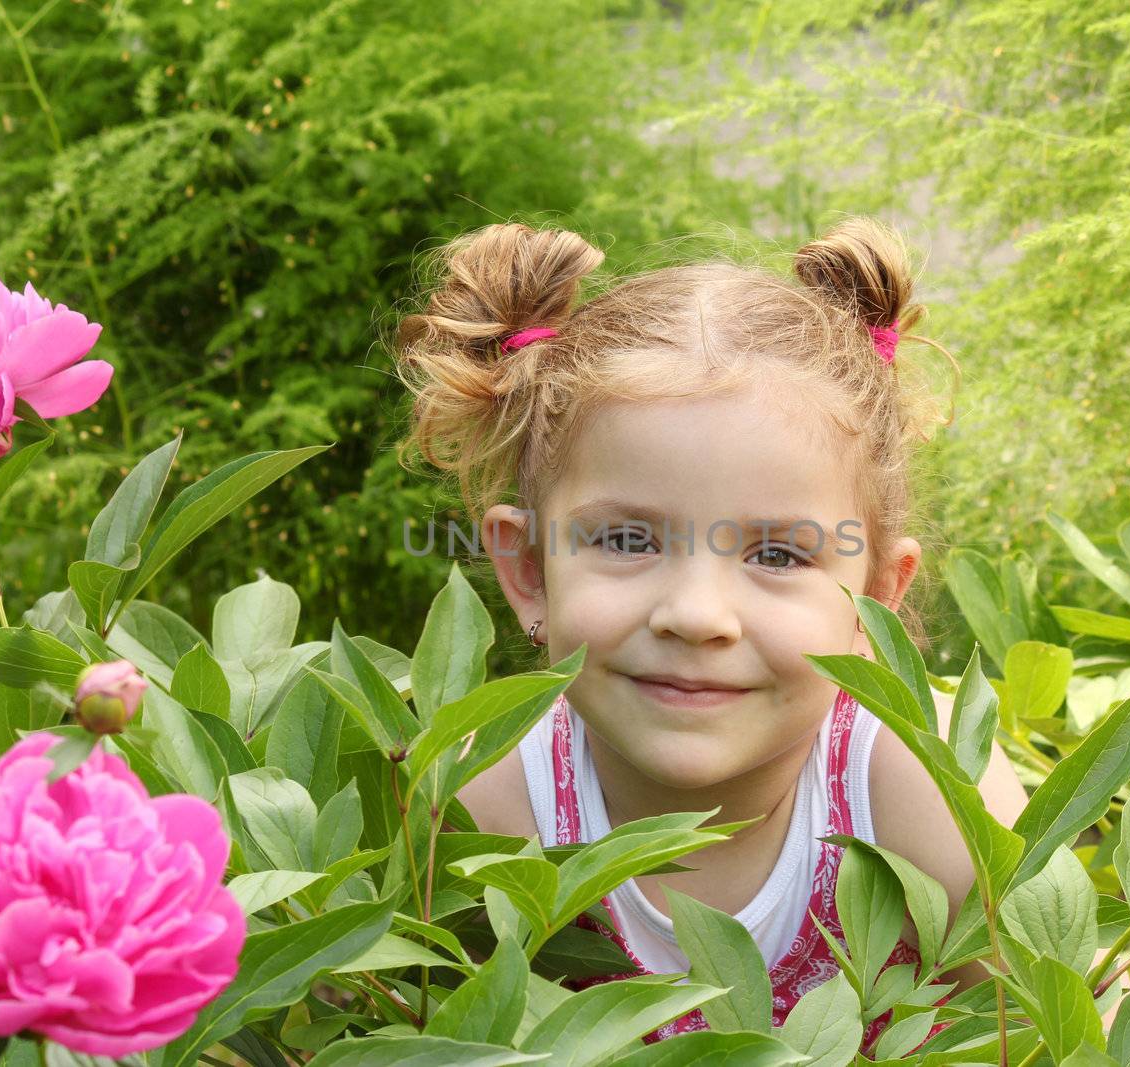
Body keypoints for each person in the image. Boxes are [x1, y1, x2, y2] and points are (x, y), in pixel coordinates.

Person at [392, 217, 1036, 1058]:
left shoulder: (933, 790)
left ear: (875, 597)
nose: (697, 614)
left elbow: (1077, 1034)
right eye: (627, 540)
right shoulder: (473, 810)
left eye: (777, 553)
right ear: (527, 570)